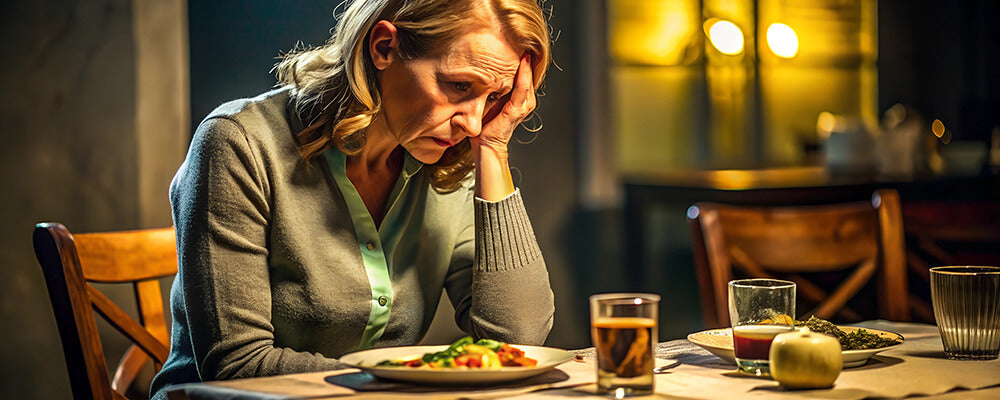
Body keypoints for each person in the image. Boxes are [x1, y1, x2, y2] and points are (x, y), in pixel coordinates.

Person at [149, 0, 554, 397]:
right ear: (383, 47)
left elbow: (517, 340)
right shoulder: (238, 144)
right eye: (459, 86)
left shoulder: (447, 161)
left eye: (496, 98)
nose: (473, 121)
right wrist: (414, 383)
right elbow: (238, 366)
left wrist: (494, 146)